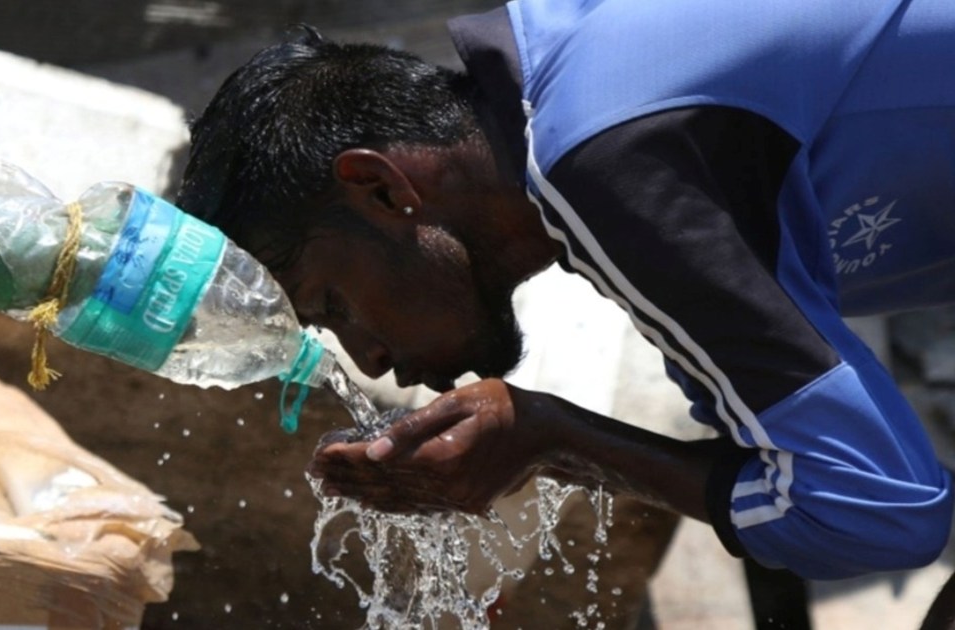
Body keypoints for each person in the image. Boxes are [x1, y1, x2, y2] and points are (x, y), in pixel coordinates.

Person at [176, 0, 955, 592]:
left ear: (382, 187)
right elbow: (787, 464)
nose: (371, 355)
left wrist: (556, 440)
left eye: (333, 304)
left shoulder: (600, 160)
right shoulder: (575, 82)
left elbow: (881, 513)